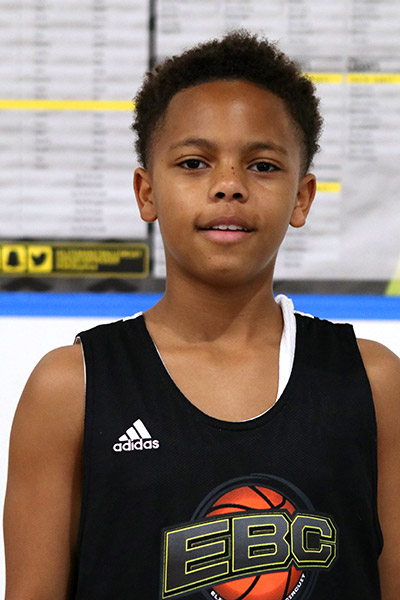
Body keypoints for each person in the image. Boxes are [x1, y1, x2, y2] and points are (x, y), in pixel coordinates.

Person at [3, 30, 400, 600]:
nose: (229, 186)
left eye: (262, 165)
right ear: (146, 192)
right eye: (194, 162)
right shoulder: (71, 387)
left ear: (302, 197)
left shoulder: (373, 382)